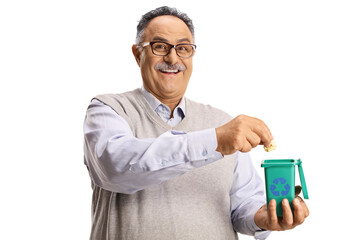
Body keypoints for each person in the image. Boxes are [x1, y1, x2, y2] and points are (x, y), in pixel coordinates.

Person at [83, 6, 309, 240]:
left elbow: (243, 203)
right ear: (138, 54)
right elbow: (116, 167)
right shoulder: (108, 109)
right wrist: (215, 141)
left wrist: (259, 217)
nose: (173, 58)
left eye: (183, 48)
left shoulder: (222, 122)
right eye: (160, 47)